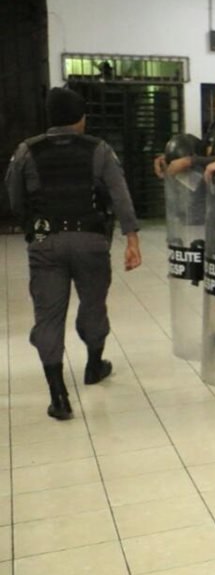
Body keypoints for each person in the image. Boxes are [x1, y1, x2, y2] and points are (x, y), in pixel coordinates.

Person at [5, 86, 142, 419]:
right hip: (90, 241)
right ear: (80, 118)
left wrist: (32, 225)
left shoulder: (26, 150)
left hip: (46, 243)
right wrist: (132, 238)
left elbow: (14, 195)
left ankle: (59, 396)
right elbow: (120, 195)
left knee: (48, 316)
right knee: (93, 305)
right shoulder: (99, 149)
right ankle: (94, 366)